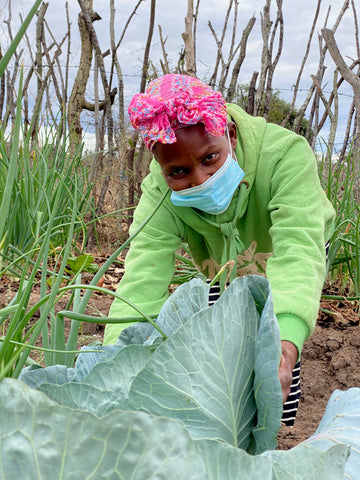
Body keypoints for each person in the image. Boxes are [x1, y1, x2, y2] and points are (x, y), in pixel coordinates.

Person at [103, 74, 335, 426]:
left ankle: (277, 428)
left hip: (288, 253)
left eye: (210, 158)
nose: (200, 180)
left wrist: (285, 346)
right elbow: (142, 277)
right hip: (221, 265)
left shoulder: (284, 156)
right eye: (178, 171)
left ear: (231, 134)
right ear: (159, 165)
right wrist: (115, 366)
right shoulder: (160, 195)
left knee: (276, 342)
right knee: (223, 344)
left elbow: (298, 250)